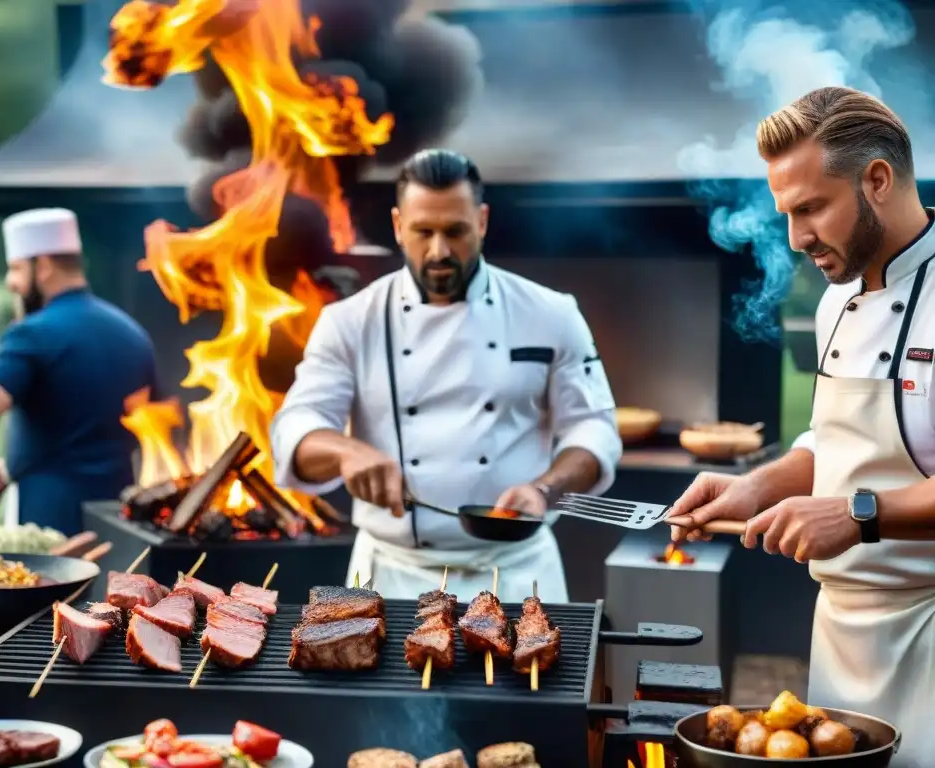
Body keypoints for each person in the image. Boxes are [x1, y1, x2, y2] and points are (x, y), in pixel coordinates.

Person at [668, 87, 935, 767]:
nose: (795, 238)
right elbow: (832, 444)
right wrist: (753, 488)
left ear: (877, 180)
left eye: (812, 208)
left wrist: (860, 514)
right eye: (787, 214)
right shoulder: (835, 303)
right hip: (841, 631)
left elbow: (856, 494)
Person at [270, 149, 622, 602]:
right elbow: (294, 428)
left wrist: (545, 489)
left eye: (455, 231)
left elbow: (596, 428)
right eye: (423, 232)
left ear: (482, 221)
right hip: (390, 578)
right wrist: (344, 452)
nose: (439, 251)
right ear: (399, 226)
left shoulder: (551, 313)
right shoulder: (350, 321)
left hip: (517, 575)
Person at [0, 208, 159, 535]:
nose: (11, 282)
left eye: (16, 269)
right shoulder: (133, 333)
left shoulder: (32, 333)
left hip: (49, 521)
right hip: (121, 521)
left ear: (44, 266)